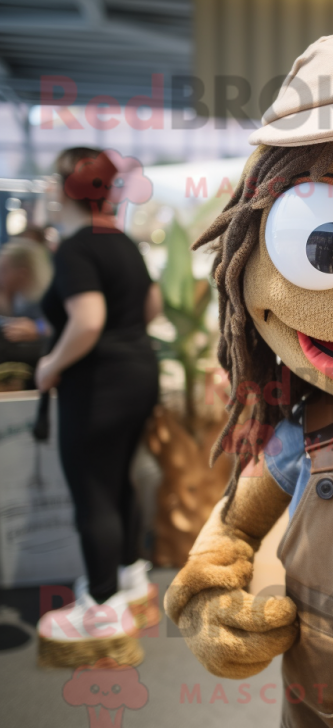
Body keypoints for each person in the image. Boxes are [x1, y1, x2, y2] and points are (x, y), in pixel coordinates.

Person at [35, 147, 162, 668]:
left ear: (66, 186)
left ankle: (102, 608)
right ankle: (129, 580)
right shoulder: (120, 241)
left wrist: (49, 366)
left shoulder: (74, 249)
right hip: (137, 374)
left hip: (99, 384)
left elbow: (87, 320)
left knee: (93, 492)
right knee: (119, 482)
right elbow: (151, 305)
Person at [0, 239, 53, 375]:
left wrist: (37, 328)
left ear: (22, 273)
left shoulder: (44, 298)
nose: (1, 275)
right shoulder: (17, 297)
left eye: (4, 270)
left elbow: (56, 324)